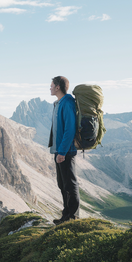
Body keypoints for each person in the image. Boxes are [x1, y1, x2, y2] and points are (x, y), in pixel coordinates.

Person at [48, 76, 80, 224]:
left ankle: (73, 218)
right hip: (59, 150)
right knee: (63, 185)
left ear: (58, 87)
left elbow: (70, 129)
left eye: (51, 85)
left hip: (65, 151)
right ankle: (66, 215)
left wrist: (62, 152)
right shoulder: (59, 103)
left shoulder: (67, 102)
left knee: (70, 184)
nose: (50, 87)